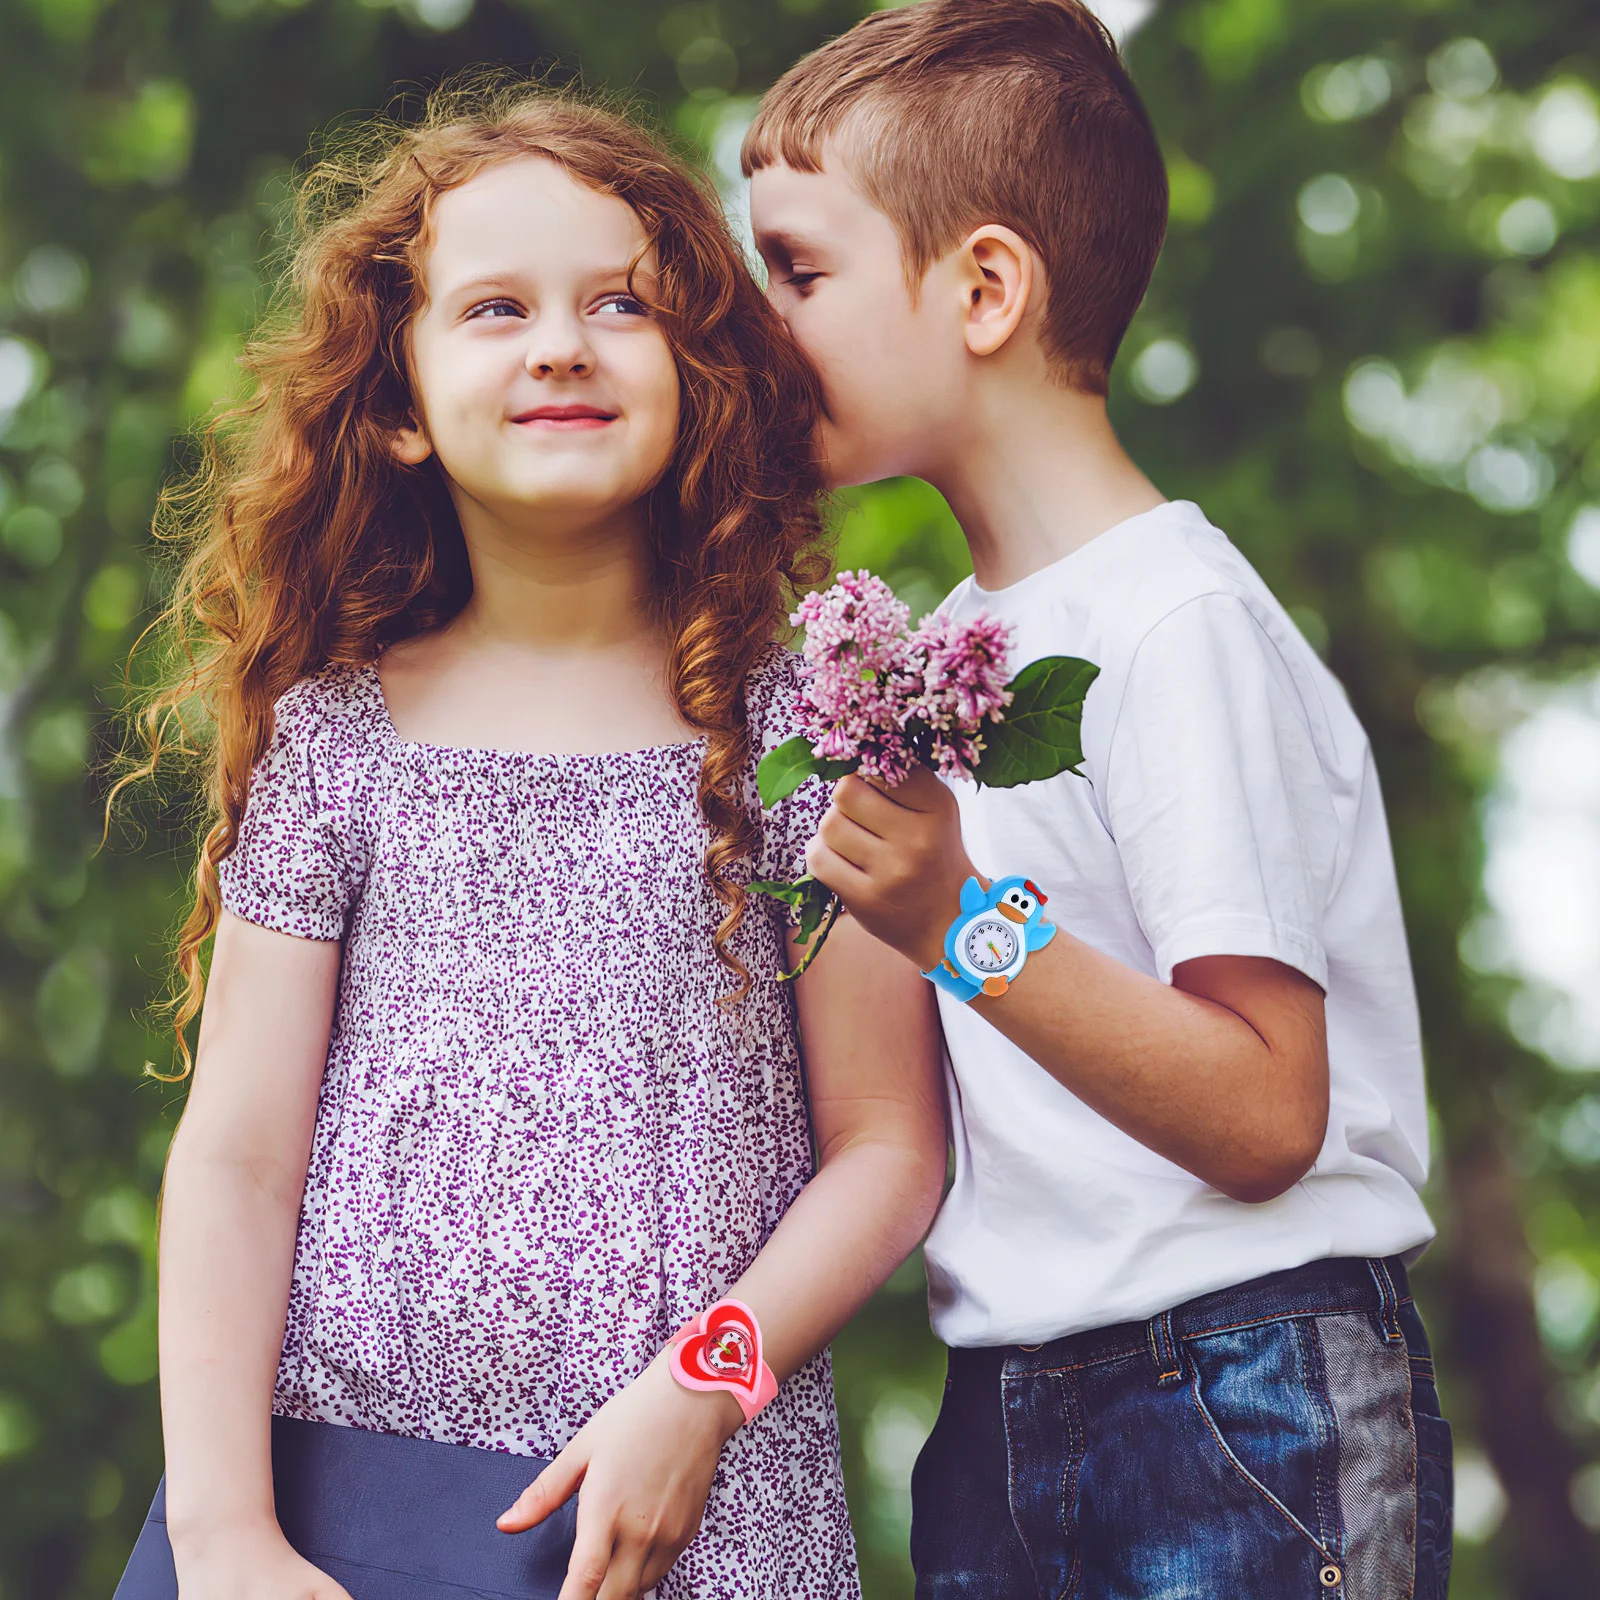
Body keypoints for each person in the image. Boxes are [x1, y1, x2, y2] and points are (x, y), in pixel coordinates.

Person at [113, 82, 946, 1600]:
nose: (561, 342)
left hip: (699, 1523)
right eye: (495, 308)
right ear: (399, 408)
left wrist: (709, 1381)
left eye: (620, 303)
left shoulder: (803, 741)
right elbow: (236, 1158)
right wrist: (229, 1536)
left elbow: (887, 1147)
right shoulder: (338, 739)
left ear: (699, 368)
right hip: (336, 1527)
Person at [744, 3, 1452, 1596]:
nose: (757, 324)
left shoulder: (1176, 621)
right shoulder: (923, 666)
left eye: (799, 272)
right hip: (1004, 1409)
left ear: (984, 289)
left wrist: (951, 919)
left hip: (1239, 1388)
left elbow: (1267, 1115)